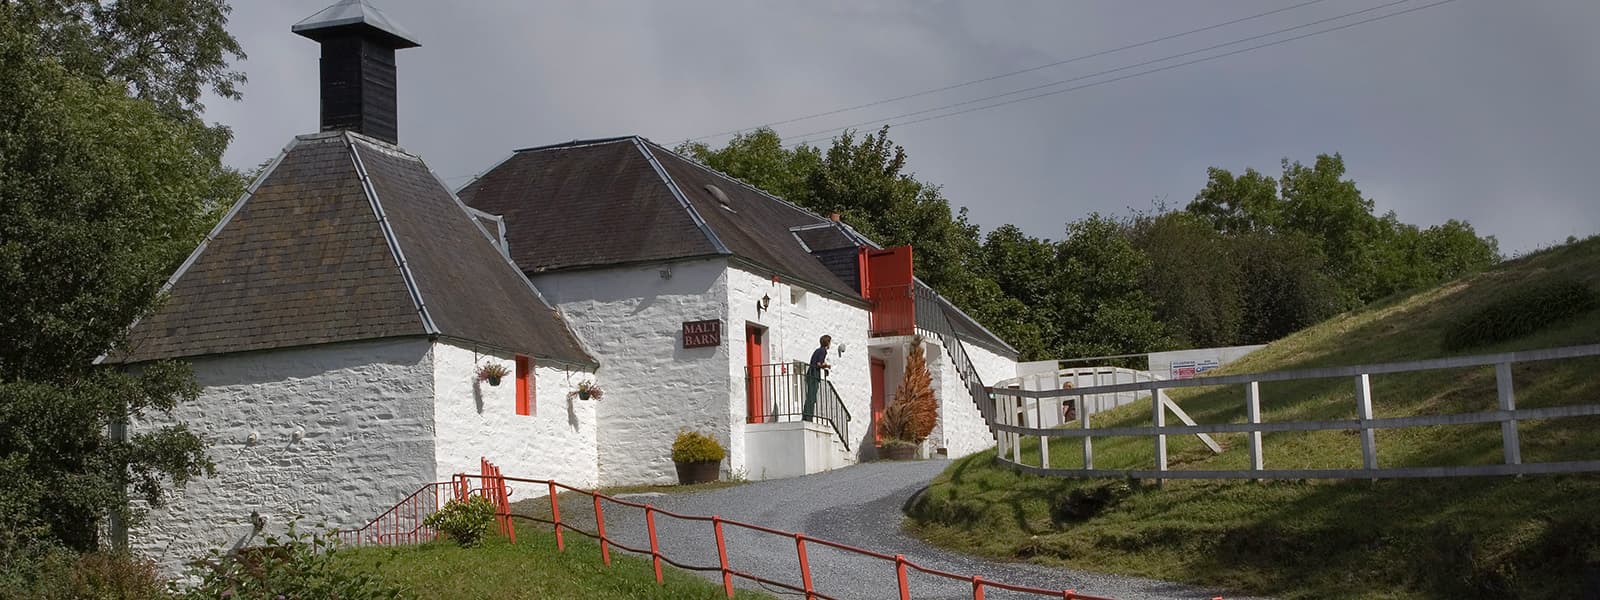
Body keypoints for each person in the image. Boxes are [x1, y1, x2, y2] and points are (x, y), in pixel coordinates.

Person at [803, 335, 832, 422]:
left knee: (810, 395)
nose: (830, 344)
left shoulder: (818, 350)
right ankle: (808, 416)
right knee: (812, 396)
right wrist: (827, 366)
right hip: (814, 374)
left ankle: (806, 415)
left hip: (810, 373)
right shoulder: (823, 351)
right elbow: (819, 364)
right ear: (827, 343)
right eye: (830, 342)